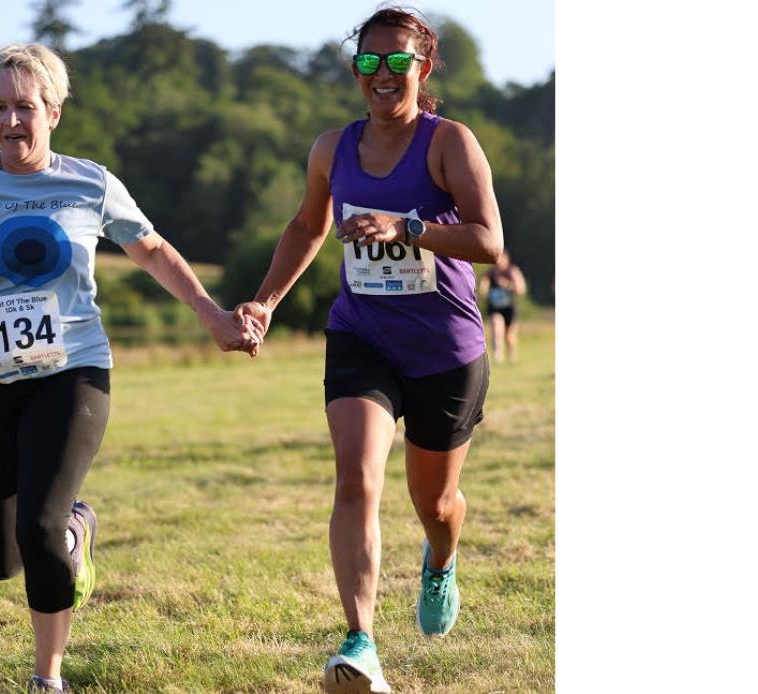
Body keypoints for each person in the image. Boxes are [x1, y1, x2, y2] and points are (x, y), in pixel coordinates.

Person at [0, 43, 260, 694]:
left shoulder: (90, 182)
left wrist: (210, 312)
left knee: (38, 527)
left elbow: (152, 249)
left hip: (74, 372)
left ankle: (47, 678)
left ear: (53, 112)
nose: (10, 122)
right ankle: (78, 525)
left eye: (24, 107)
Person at [233, 7, 503, 693]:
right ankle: (361, 643)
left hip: (446, 346)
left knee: (435, 505)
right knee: (356, 477)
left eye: (396, 61)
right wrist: (265, 300)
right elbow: (305, 226)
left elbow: (488, 241)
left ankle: (440, 561)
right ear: (356, 68)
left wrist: (406, 227)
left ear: (423, 66)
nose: (381, 75)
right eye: (368, 61)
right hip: (362, 334)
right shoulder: (332, 147)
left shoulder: (449, 143)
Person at [478, 251, 527, 363]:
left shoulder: (512, 271)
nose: (499, 262)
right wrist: (483, 290)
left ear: (507, 260)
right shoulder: (490, 273)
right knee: (496, 325)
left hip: (509, 308)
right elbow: (482, 290)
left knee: (509, 337)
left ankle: (511, 356)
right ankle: (497, 354)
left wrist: (507, 285)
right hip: (495, 307)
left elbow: (521, 289)